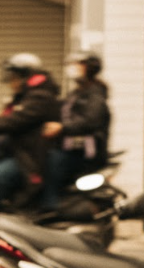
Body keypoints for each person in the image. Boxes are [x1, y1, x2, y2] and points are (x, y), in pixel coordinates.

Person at [0, 53, 61, 211]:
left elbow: (14, 120)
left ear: (25, 75)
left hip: (31, 157)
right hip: (16, 153)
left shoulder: (41, 97)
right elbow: (4, 119)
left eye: (13, 77)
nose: (10, 82)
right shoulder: (22, 97)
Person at [41, 52, 111, 209]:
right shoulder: (77, 92)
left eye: (78, 64)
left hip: (86, 152)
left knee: (53, 162)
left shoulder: (95, 93)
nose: (71, 68)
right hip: (70, 147)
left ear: (89, 68)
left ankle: (50, 207)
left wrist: (62, 128)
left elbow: (91, 120)